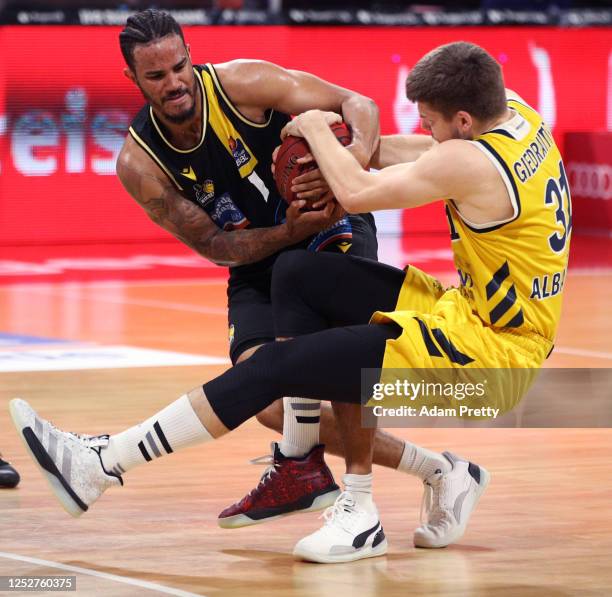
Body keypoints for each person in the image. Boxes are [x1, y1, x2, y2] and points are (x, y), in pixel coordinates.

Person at [10, 40, 570, 563]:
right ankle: (306, 469)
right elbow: (421, 152)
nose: (424, 127)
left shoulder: (470, 162)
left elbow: (358, 193)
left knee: (272, 369)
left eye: (430, 118)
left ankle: (103, 464)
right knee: (300, 273)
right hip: (470, 316)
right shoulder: (517, 116)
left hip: (489, 361)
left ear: (465, 120)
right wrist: (352, 143)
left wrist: (314, 131)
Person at [113, 8, 439, 530]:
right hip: (261, 252)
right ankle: (431, 469)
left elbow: (359, 103)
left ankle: (358, 501)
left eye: (179, 66)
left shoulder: (244, 82)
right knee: (261, 392)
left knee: (338, 359)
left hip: (333, 222)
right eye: (156, 76)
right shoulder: (140, 163)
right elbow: (216, 244)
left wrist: (351, 160)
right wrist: (287, 232)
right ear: (134, 79)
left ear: (190, 55)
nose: (174, 83)